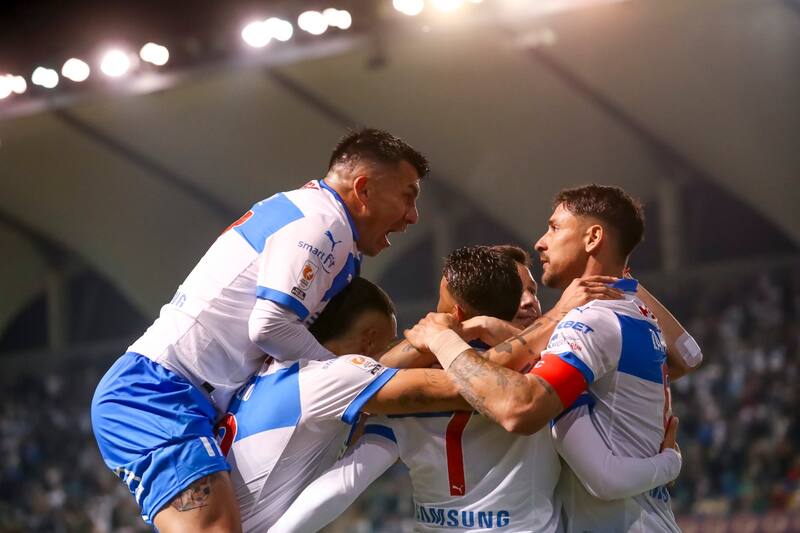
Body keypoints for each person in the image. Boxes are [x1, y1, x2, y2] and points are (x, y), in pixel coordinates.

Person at [90, 128, 428, 532]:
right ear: (364, 188)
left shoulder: (321, 221)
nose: (413, 216)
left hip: (190, 395)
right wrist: (343, 374)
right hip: (159, 392)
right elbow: (269, 326)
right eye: (408, 196)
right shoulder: (322, 223)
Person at [272, 245, 681, 532]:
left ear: (455, 313)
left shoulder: (406, 392)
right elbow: (605, 476)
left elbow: (343, 483)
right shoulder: (543, 381)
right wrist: (669, 461)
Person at [405, 185, 702, 532]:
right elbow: (688, 356)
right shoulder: (637, 314)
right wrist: (620, 276)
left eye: (555, 227)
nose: (541, 241)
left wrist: (671, 462)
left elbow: (522, 408)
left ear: (592, 238)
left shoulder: (587, 322)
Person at [219, 276, 473, 531]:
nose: (389, 349)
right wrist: (449, 335)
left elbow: (382, 365)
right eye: (388, 341)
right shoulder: (335, 378)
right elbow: (465, 387)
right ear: (369, 340)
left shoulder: (274, 372)